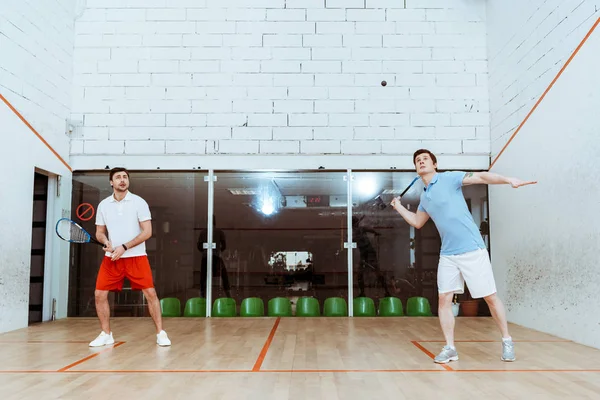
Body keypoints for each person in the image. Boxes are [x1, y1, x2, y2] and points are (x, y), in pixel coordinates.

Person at [391, 149, 536, 363]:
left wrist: (507, 180)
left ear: (435, 164)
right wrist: (399, 207)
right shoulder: (425, 196)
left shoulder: (449, 178)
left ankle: (506, 340)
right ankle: (450, 347)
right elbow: (418, 222)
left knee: (490, 298)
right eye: (417, 161)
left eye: (425, 159)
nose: (421, 162)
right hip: (448, 254)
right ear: (416, 168)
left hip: (472, 249)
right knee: (443, 299)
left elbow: (480, 176)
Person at [89, 168, 171, 347]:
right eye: (118, 177)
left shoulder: (139, 202)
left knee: (150, 293)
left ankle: (160, 333)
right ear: (111, 182)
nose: (122, 180)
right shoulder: (103, 205)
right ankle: (106, 333)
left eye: (125, 177)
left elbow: (147, 232)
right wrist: (105, 242)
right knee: (99, 294)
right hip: (112, 258)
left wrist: (124, 247)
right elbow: (100, 232)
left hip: (137, 257)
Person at [352, 216, 391, 298]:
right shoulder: (356, 231)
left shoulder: (360, 229)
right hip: (364, 254)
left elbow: (370, 230)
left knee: (377, 272)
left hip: (370, 253)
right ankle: (362, 292)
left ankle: (387, 291)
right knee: (360, 274)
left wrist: (376, 233)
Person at [197, 215, 231, 298]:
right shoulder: (219, 232)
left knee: (203, 276)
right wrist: (218, 250)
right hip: (216, 256)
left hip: (205, 257)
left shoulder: (203, 232)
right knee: (224, 275)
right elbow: (224, 246)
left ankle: (202, 294)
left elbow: (199, 246)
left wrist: (205, 250)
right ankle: (228, 294)